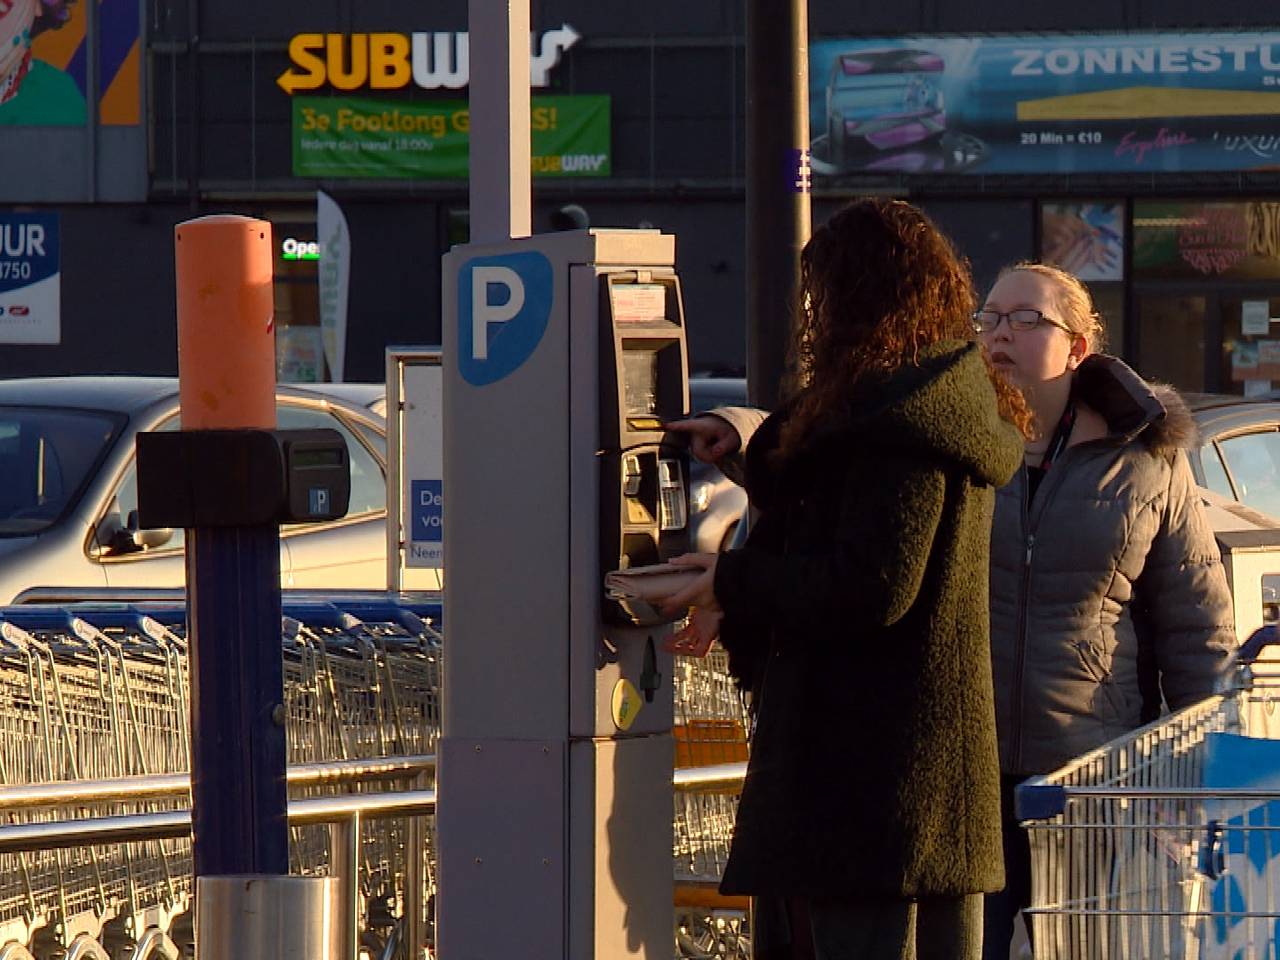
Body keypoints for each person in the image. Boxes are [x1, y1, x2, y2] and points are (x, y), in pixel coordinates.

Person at [659, 198, 1030, 960]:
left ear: (854, 298)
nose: (812, 316)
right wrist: (746, 442)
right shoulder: (920, 397)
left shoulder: (902, 423)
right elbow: (824, 468)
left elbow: (871, 584)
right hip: (903, 785)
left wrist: (731, 583)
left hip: (869, 785)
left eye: (819, 297)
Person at [973, 262, 1235, 958]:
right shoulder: (957, 438)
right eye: (990, 318)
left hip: (1091, 777)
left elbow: (1196, 623)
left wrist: (1185, 775)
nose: (1001, 334)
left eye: (1026, 319)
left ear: (1077, 346)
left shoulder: (1145, 457)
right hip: (966, 764)